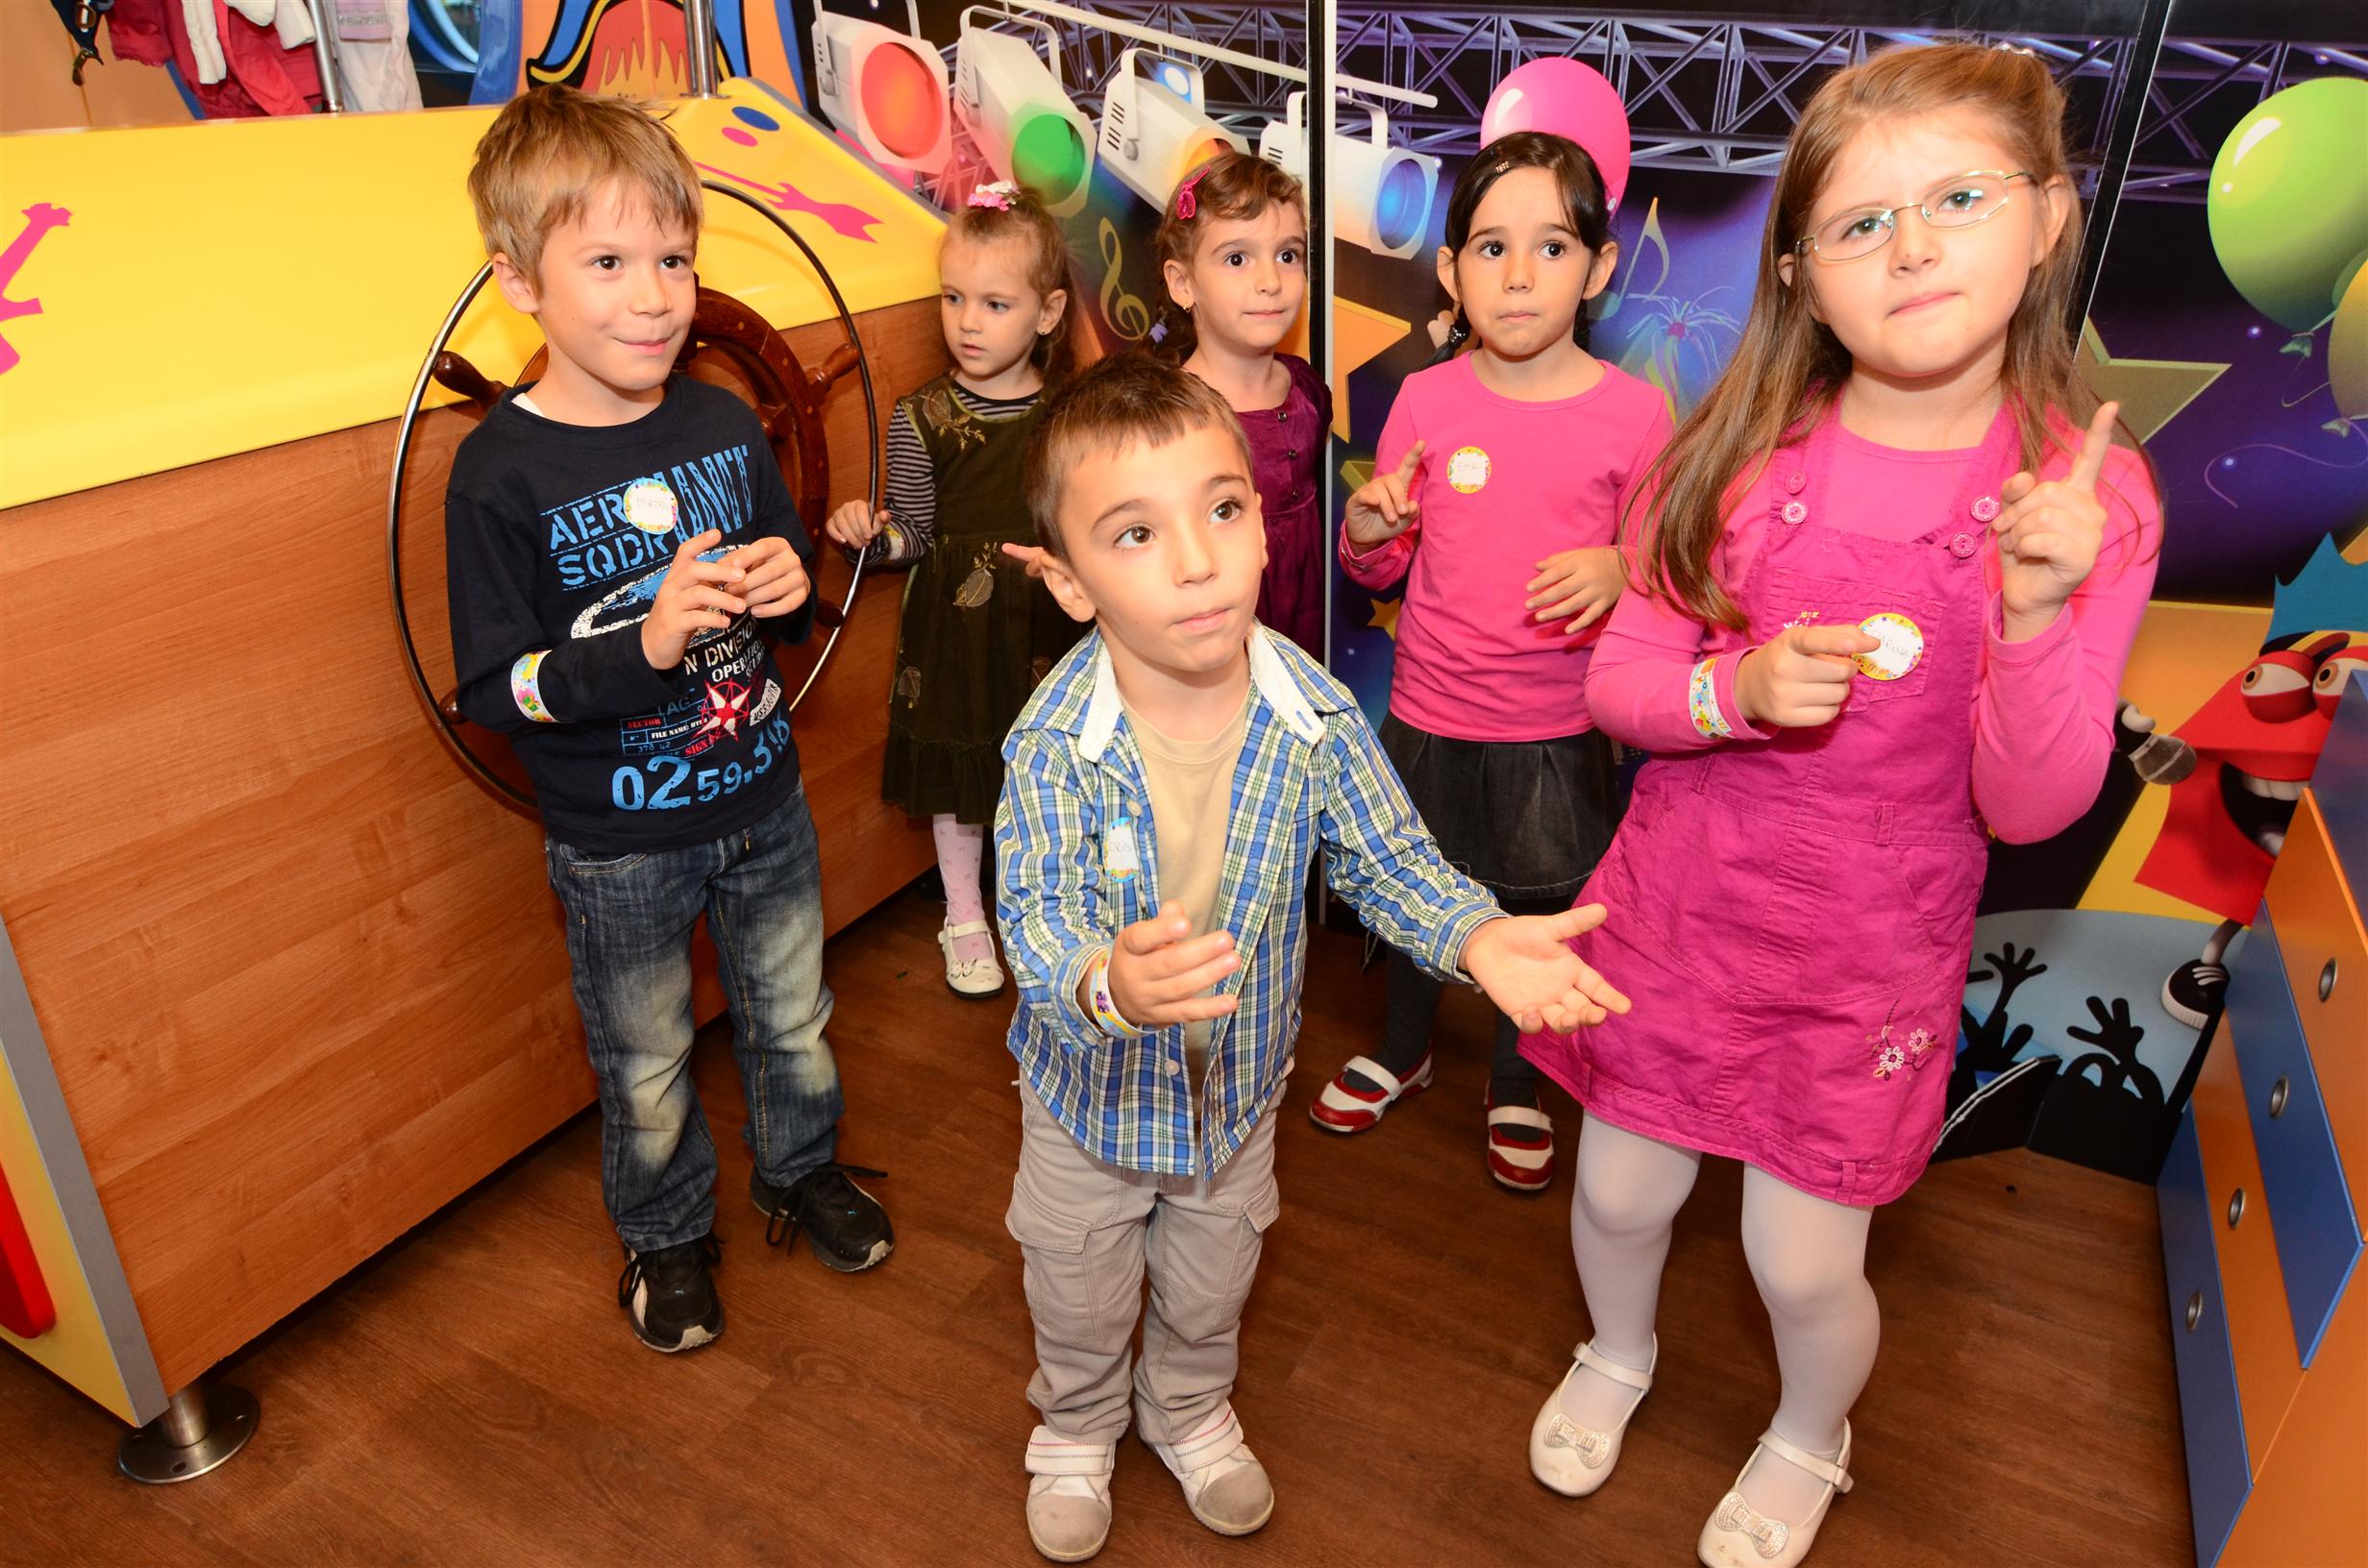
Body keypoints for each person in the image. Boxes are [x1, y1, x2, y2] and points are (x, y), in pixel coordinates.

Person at [1518, 43, 2160, 1566]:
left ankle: (1813, 1432)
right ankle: (1616, 1350)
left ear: (2049, 216)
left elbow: (2031, 803)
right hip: (1678, 915)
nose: (1915, 246)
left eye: (1959, 198)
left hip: (1870, 952)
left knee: (1801, 1265)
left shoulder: (2086, 502)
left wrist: (2033, 615)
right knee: (1617, 1193)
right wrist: (1731, 693)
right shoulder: (1734, 454)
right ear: (1800, 272)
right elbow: (1621, 683)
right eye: (1863, 222)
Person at [993, 355, 1631, 1561]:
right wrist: (1104, 982)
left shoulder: (1316, 715)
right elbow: (1032, 917)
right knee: (1076, 1284)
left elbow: (1390, 861)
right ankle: (1074, 1425)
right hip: (1088, 1107)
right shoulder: (1052, 746)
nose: (1197, 560)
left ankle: (1188, 1408)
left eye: (1223, 509)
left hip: (1237, 1097)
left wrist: (1477, 931)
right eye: (1136, 534)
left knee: (1213, 1278)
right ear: (1071, 585)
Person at [446, 85, 895, 1353]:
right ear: (519, 283)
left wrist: (791, 585)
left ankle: (800, 1171)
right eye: (607, 262)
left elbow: (780, 589)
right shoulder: (498, 475)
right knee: (644, 1062)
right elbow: (498, 692)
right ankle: (664, 1235)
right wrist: (640, 650)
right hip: (618, 847)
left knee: (793, 1018)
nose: (653, 297)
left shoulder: (720, 420)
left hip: (765, 800)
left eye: (674, 260)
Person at [1313, 132, 1671, 1193]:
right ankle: (1406, 1046)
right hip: (1426, 712)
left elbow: (1668, 571)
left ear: (1599, 269)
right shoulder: (1427, 401)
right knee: (1416, 890)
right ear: (1450, 269)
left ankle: (1520, 1079)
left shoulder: (1636, 414)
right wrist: (1368, 532)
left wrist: (1622, 567)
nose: (1518, 275)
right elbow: (1378, 560)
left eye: (1551, 247)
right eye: (1490, 247)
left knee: (1538, 911)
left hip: (1559, 729)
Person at [824, 180, 1085, 998]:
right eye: (953, 297)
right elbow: (914, 532)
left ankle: (1047, 909)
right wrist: (869, 533)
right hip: (956, 628)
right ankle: (965, 914)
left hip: (1049, 616)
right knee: (961, 774)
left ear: (1047, 313)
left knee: (1048, 769)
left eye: (996, 304)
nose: (969, 322)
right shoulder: (921, 416)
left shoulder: (1071, 414)